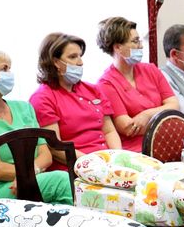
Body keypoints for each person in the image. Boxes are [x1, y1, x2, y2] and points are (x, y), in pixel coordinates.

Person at [0, 48, 72, 204]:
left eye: (10, 69)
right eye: (4, 69)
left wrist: (29, 175)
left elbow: (45, 155)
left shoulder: (24, 108)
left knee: (65, 204)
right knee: (63, 181)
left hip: (34, 179)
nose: (10, 74)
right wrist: (26, 176)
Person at [29, 32, 121, 168]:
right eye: (73, 57)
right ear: (55, 62)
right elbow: (55, 147)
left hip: (107, 161)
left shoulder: (93, 90)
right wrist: (92, 163)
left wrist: (118, 158)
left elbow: (109, 131)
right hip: (75, 166)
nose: (80, 62)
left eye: (80, 56)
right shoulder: (42, 98)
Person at [95, 17, 179, 153]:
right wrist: (163, 115)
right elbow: (127, 128)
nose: (141, 46)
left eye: (139, 40)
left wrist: (146, 115)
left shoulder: (151, 69)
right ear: (118, 47)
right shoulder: (106, 84)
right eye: (135, 41)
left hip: (170, 140)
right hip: (138, 150)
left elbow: (174, 106)